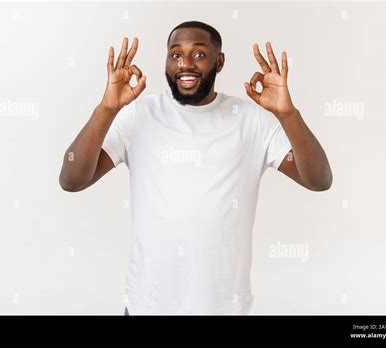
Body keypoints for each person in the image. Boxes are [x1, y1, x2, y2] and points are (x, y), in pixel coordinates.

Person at [59, 21, 333, 315]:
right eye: (175, 55)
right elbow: (72, 179)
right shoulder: (139, 114)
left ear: (220, 61)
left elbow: (318, 179)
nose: (185, 64)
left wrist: (288, 115)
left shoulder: (252, 119)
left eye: (199, 55)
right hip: (147, 308)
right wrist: (107, 109)